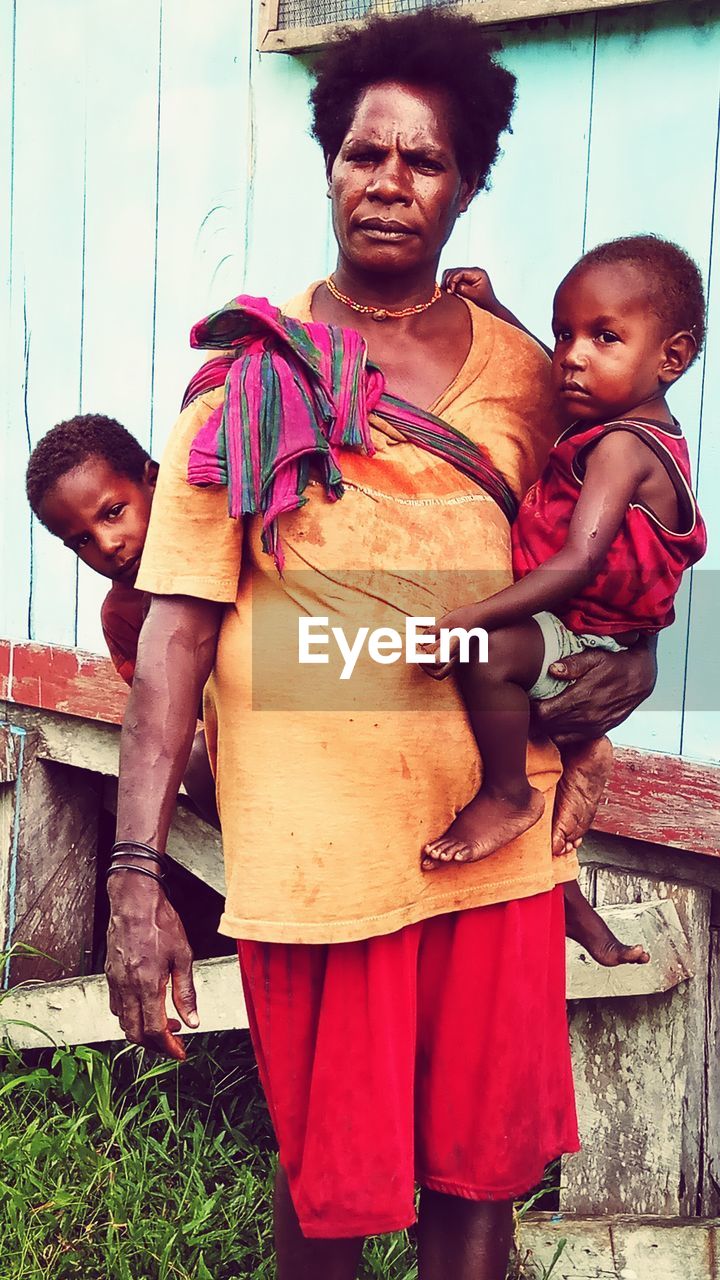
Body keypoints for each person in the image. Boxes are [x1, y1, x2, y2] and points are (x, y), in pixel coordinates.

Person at [103, 11, 659, 1279]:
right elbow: (178, 628)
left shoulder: (532, 374)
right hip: (319, 851)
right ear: (331, 165)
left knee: (479, 1176)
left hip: (491, 841)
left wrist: (638, 664)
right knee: (332, 1190)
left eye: (424, 161)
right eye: (366, 154)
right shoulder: (253, 372)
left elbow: (625, 551)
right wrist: (135, 874)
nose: (389, 183)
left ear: (466, 185)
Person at [421, 238, 706, 885]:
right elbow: (571, 371)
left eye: (605, 337)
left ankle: (507, 794)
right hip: (604, 629)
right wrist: (495, 309)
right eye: (562, 333)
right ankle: (583, 753)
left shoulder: (621, 449)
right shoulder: (637, 419)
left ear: (673, 356)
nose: (572, 356)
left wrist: (468, 618)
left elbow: (578, 560)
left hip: (585, 633)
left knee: (488, 655)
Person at [24, 415, 219, 826]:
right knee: (199, 762)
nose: (107, 545)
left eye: (113, 512)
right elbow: (171, 713)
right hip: (237, 740)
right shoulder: (121, 615)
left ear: (154, 480)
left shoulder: (226, 539)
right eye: (81, 541)